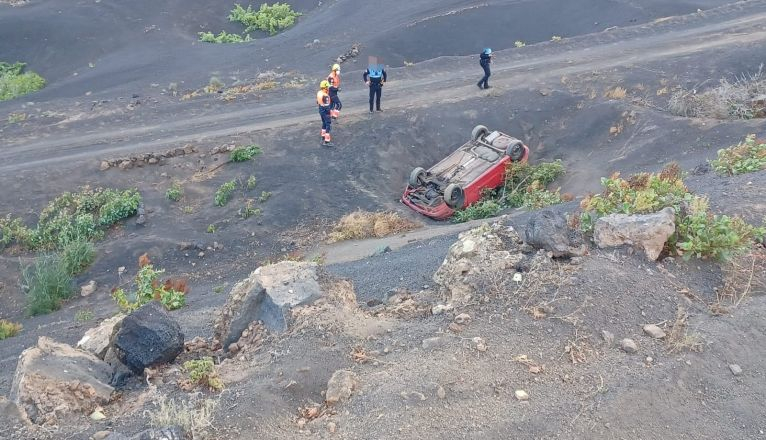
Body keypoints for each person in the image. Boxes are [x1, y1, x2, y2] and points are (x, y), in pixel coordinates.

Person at [316, 80, 333, 146]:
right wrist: (330, 113)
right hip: (325, 112)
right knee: (328, 125)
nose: (328, 88)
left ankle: (323, 135)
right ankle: (327, 141)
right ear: (325, 87)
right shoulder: (325, 96)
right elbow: (327, 107)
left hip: (321, 110)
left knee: (324, 123)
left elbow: (317, 102)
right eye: (327, 87)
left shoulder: (319, 93)